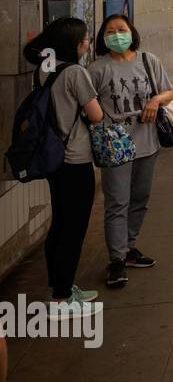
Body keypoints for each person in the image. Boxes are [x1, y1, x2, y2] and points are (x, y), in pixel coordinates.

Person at [22, 17, 105, 312]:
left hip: (53, 159)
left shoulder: (44, 71)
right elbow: (96, 115)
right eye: (84, 39)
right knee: (74, 227)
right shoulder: (75, 73)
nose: (87, 43)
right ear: (74, 43)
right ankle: (61, 298)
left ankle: (61, 285)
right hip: (74, 159)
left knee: (60, 223)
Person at [89, 14, 173, 288]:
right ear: (103, 37)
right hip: (115, 147)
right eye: (111, 31)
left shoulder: (149, 61)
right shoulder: (97, 69)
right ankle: (116, 260)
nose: (117, 35)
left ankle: (128, 248)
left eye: (121, 29)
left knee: (140, 197)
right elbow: (87, 105)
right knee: (117, 203)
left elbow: (168, 92)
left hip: (147, 143)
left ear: (132, 32)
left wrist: (155, 100)